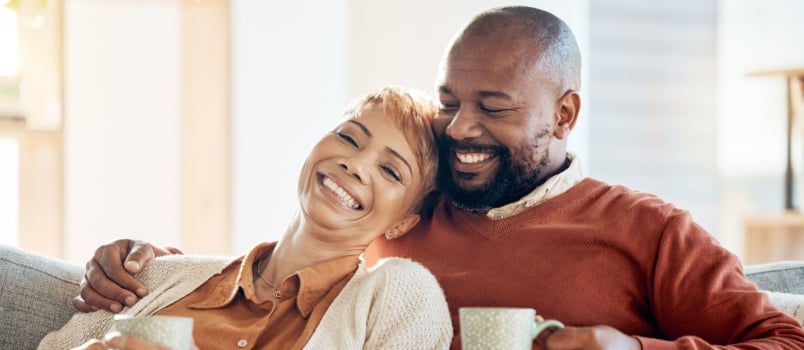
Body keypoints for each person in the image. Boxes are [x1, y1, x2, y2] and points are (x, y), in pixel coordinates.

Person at [75, 6, 804, 350]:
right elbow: (293, 277)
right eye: (451, 101)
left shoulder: (647, 230)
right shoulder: (412, 208)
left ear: (565, 113)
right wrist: (148, 268)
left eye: (494, 108)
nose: (459, 129)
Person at [40, 86, 452, 349]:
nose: (356, 164)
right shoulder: (158, 276)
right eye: (348, 137)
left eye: (391, 170)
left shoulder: (398, 294)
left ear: (403, 223)